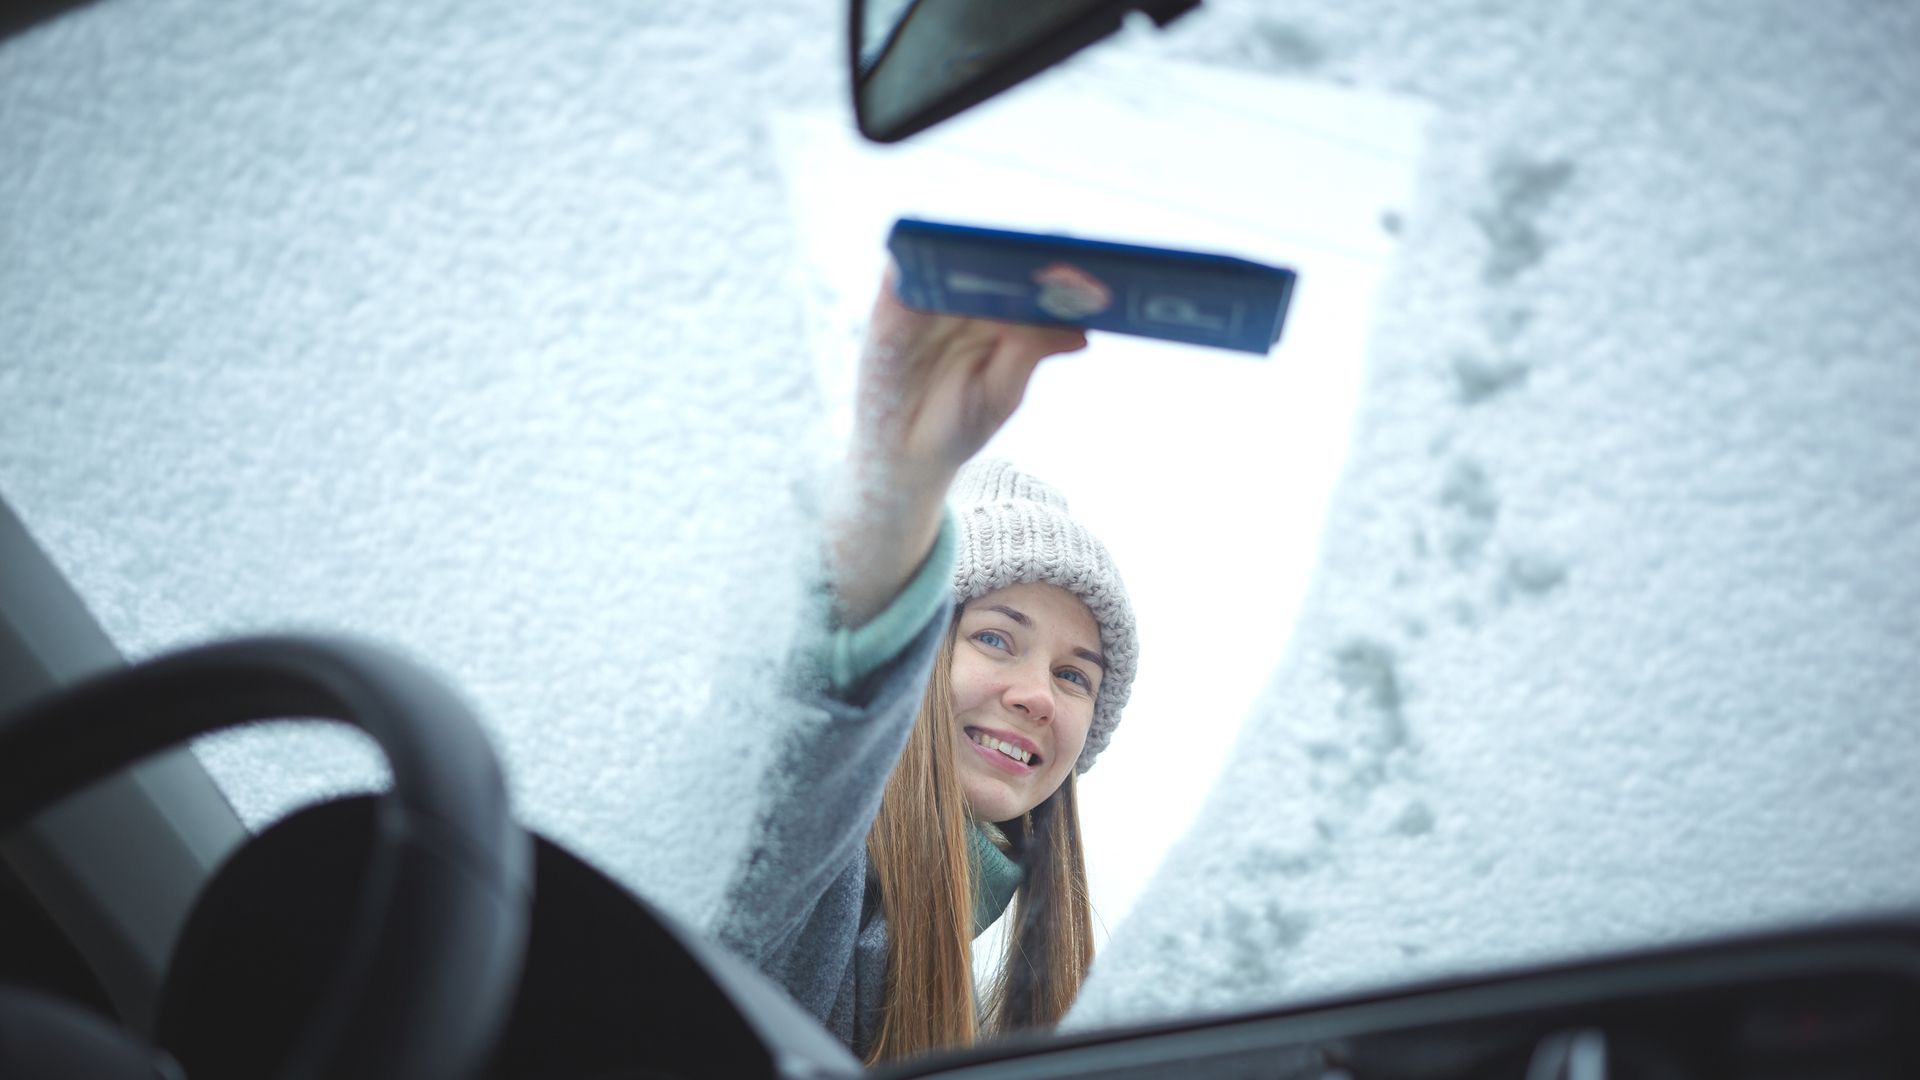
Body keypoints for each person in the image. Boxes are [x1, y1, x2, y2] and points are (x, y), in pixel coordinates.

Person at [713, 270, 1139, 1064]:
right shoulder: (809, 882)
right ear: (909, 651)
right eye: (994, 638)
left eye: (1075, 675)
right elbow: (818, 708)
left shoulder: (992, 1026)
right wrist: (901, 477)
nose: (1037, 695)